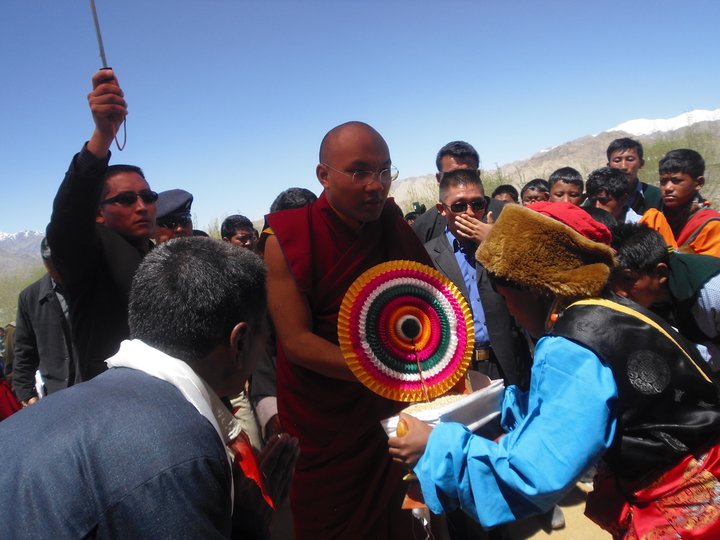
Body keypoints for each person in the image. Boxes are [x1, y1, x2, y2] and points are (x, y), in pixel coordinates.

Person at [389, 202, 720, 538]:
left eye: (505, 297)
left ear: (534, 286)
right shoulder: (610, 309)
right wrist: (495, 407)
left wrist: (436, 445)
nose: (510, 312)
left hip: (683, 509)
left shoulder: (572, 345)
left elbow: (535, 472)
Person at [0, 238, 299, 538]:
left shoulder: (81, 404)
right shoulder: (184, 451)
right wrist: (251, 524)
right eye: (266, 331)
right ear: (241, 342)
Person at [263, 121, 431, 539]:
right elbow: (297, 342)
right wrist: (390, 373)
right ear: (323, 175)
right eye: (359, 172)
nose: (376, 185)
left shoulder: (391, 222)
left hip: (393, 412)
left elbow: (431, 299)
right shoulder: (287, 236)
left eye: (385, 171)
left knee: (401, 519)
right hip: (329, 422)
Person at [46, 69, 156, 381]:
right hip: (117, 406)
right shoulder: (89, 255)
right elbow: (67, 220)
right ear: (97, 213)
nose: (142, 206)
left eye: (148, 196)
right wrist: (102, 138)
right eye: (125, 199)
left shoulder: (156, 255)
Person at [425, 168, 530, 388]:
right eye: (459, 206)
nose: (470, 213)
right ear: (441, 209)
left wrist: (493, 244)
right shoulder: (427, 255)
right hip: (460, 371)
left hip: (510, 364)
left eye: (477, 204)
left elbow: (527, 288)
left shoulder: (505, 243)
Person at [611, 222, 720, 371]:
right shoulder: (637, 296)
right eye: (612, 280)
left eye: (628, 279)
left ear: (660, 273)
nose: (619, 292)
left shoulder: (713, 290)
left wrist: (671, 348)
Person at [12, 238, 77, 405]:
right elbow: (24, 351)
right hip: (56, 395)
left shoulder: (93, 289)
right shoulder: (30, 298)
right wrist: (27, 394)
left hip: (96, 387)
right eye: (52, 269)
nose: (57, 273)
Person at [412, 141, 505, 242]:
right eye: (452, 175)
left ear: (478, 175)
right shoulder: (423, 228)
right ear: (439, 179)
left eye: (468, 173)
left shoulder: (507, 215)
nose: (461, 180)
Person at [641, 148, 720, 257]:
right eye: (663, 181)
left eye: (676, 181)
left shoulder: (711, 225)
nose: (668, 188)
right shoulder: (654, 218)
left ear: (698, 183)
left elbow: (710, 269)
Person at [606, 137, 661, 215]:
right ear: (609, 166)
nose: (623, 167)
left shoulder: (656, 196)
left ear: (641, 163)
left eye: (630, 159)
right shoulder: (598, 199)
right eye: (617, 160)